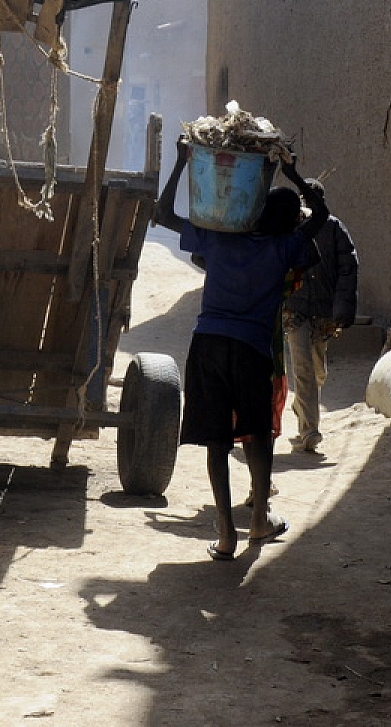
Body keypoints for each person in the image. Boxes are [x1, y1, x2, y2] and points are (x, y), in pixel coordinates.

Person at [153, 137, 327, 560]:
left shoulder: (221, 240)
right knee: (258, 433)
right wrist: (292, 173)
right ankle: (260, 519)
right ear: (288, 223)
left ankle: (226, 534)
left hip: (208, 344)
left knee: (218, 439)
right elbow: (320, 214)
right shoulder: (284, 248)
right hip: (251, 349)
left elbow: (162, 215)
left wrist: (181, 163)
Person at [282, 179, 359, 455]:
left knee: (317, 371)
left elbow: (348, 269)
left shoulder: (335, 228)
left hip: (323, 312)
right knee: (303, 368)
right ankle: (310, 431)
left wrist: (342, 309)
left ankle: (302, 406)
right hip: (296, 310)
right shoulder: (292, 226)